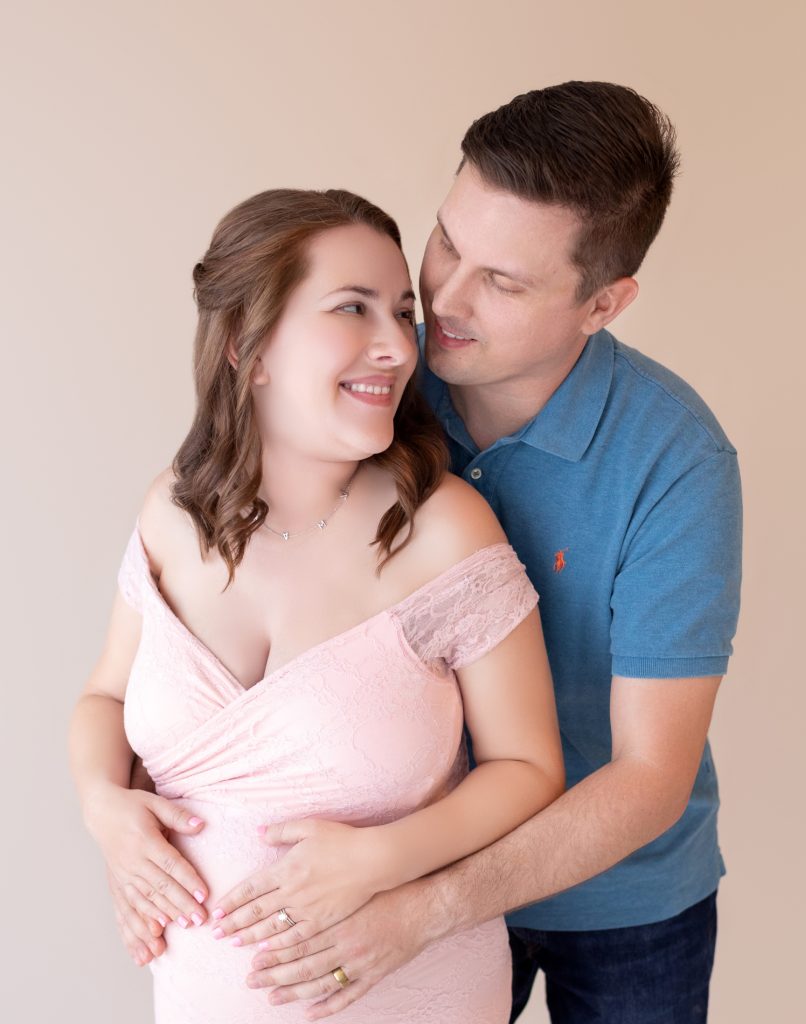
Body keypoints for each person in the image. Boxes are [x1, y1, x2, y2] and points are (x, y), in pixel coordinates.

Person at [156, 82, 737, 1022]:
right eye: (448, 243)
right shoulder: (373, 377)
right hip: (398, 870)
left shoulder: (677, 462)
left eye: (503, 282)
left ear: (606, 302)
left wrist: (430, 908)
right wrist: (120, 816)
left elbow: (648, 776)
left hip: (619, 899)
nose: (443, 300)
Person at [69, 188, 566, 1023]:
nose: (397, 346)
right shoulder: (173, 510)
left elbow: (528, 770)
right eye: (352, 308)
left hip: (409, 991)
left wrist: (378, 859)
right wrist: (104, 809)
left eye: (400, 311)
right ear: (247, 346)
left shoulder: (443, 529)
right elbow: (106, 698)